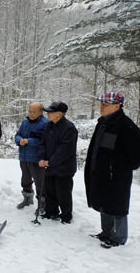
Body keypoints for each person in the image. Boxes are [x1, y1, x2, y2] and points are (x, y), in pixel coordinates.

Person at [84, 92, 140, 248]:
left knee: (118, 206)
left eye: (105, 105)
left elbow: (136, 157)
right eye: (101, 104)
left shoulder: (126, 126)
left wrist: (117, 167)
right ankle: (106, 232)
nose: (101, 107)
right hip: (100, 172)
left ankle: (119, 237)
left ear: (116, 106)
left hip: (117, 176)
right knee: (104, 202)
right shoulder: (103, 122)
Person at [38, 102, 78, 224]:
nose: (48, 114)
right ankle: (51, 212)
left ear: (59, 114)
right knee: (49, 190)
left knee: (63, 193)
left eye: (51, 112)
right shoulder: (47, 126)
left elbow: (65, 150)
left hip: (63, 168)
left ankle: (66, 216)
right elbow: (42, 143)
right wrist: (41, 158)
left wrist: (50, 162)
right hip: (48, 166)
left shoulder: (69, 128)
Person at [14, 103, 49, 211]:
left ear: (41, 112)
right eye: (30, 111)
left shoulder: (45, 123)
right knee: (25, 180)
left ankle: (42, 204)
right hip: (24, 157)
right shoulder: (25, 122)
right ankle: (27, 199)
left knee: (40, 182)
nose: (31, 114)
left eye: (34, 112)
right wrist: (19, 140)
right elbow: (18, 135)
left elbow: (45, 141)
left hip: (36, 158)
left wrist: (29, 141)